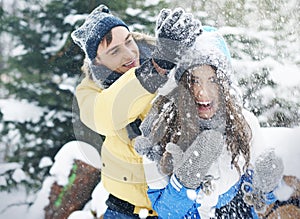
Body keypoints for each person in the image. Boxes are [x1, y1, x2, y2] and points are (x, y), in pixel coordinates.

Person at [134, 28, 284, 218]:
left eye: (212, 80)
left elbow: (255, 194)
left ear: (224, 84)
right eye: (194, 81)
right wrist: (184, 182)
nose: (202, 93)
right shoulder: (160, 128)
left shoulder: (244, 123)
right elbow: (165, 211)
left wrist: (267, 185)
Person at [71, 5, 202, 218]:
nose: (129, 53)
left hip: (178, 203)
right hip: (124, 211)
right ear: (97, 61)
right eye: (114, 51)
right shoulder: (89, 89)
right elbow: (105, 116)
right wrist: (155, 70)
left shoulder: (164, 59)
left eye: (128, 41)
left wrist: (190, 47)